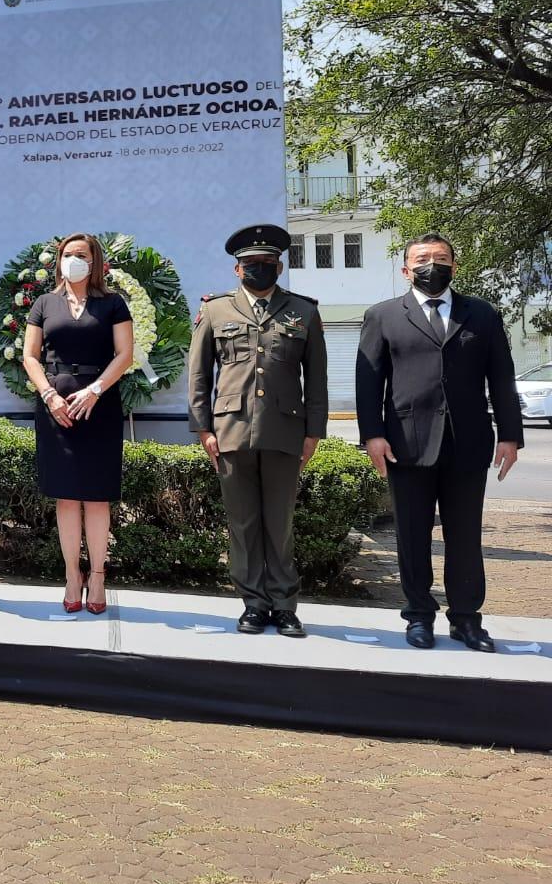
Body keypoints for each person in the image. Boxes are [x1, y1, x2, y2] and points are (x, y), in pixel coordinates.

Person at [356, 233, 522, 652]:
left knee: (464, 536)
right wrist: (372, 435)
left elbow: (501, 377)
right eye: (423, 258)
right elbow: (368, 381)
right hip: (405, 444)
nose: (433, 264)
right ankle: (418, 617)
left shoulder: (481, 315)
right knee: (412, 535)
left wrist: (511, 435)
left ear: (454, 265)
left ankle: (466, 619)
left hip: (468, 444)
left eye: (441, 258)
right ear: (405, 269)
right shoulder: (383, 316)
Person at [188, 225, 328, 637]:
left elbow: (317, 379)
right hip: (230, 431)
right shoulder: (216, 310)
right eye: (251, 265)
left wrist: (313, 431)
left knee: (279, 522)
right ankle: (253, 604)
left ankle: (285, 606)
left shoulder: (304, 311)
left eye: (267, 264)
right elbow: (198, 375)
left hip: (285, 431)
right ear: (237, 269)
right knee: (243, 523)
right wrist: (203, 428)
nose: (259, 270)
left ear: (280, 266)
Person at [21, 233, 134, 614]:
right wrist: (50, 396)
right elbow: (30, 356)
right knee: (66, 496)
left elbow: (125, 354)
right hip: (56, 407)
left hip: (98, 406)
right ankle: (72, 575)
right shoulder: (43, 303)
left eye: (81, 255)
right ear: (59, 261)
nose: (74, 260)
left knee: (97, 497)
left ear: (95, 261)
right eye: (68, 255)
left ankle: (98, 576)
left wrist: (95, 390)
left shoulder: (113, 303)